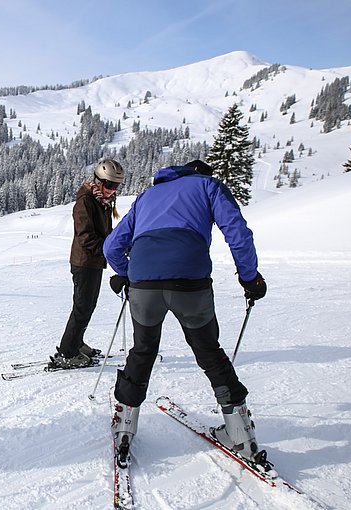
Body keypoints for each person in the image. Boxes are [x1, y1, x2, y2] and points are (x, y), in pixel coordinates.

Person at [104, 159, 267, 462]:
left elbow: (112, 246)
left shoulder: (147, 196)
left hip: (144, 284)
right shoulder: (209, 185)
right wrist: (250, 277)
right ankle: (241, 436)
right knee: (208, 351)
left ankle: (125, 427)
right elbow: (237, 232)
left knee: (142, 351)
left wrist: (128, 274)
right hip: (190, 281)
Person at [51, 158, 125, 369]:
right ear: (98, 180)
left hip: (93, 261)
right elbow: (85, 237)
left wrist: (117, 243)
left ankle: (76, 343)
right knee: (82, 307)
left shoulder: (101, 201)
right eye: (109, 185)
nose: (112, 190)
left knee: (87, 306)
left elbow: (105, 233)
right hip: (85, 262)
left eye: (116, 186)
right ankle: (67, 351)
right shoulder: (85, 201)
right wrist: (108, 248)